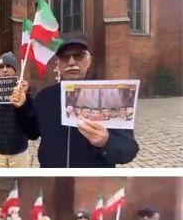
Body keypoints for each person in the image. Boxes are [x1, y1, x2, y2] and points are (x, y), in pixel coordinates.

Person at [12, 37, 138, 167]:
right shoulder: (45, 96)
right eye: (65, 57)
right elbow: (32, 133)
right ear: (58, 64)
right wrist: (22, 107)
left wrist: (106, 142)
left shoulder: (109, 96)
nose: (71, 62)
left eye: (79, 56)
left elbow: (129, 150)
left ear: (89, 61)